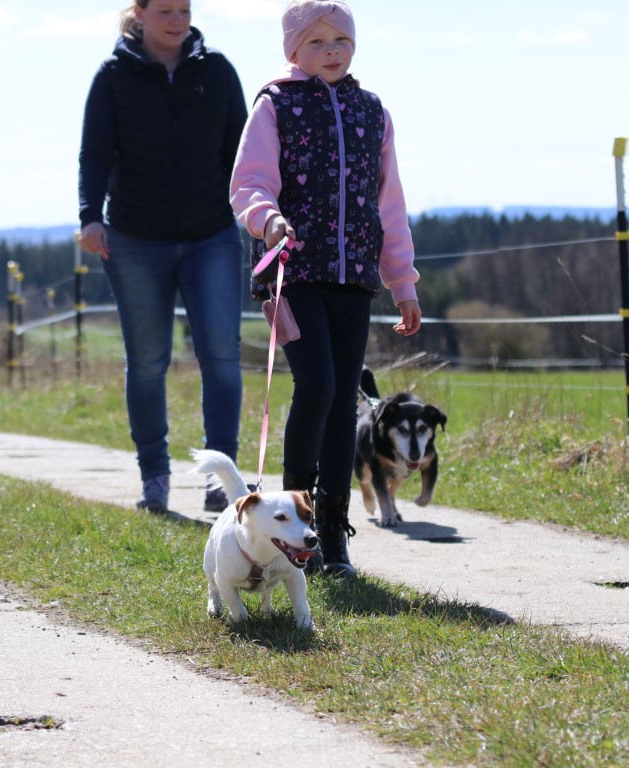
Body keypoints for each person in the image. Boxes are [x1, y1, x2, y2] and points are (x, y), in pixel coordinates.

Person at [229, 0, 422, 578]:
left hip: (355, 278)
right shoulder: (275, 104)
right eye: (316, 41)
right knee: (316, 386)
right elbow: (249, 182)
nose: (332, 50)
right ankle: (291, 520)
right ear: (294, 50)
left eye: (342, 40)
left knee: (342, 402)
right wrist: (268, 220)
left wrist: (402, 282)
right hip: (294, 273)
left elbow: (390, 203)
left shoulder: (372, 112)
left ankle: (332, 533)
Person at [77, 1, 248, 514]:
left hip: (212, 234)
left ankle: (221, 479)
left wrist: (255, 212)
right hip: (135, 238)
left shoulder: (216, 71)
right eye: (166, 10)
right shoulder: (112, 77)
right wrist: (90, 216)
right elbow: (94, 152)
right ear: (141, 12)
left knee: (221, 355)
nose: (177, 21)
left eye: (184, 10)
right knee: (148, 362)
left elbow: (241, 151)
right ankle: (154, 476)